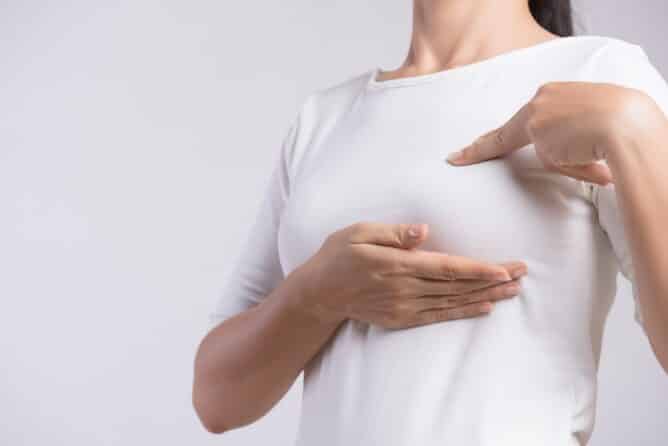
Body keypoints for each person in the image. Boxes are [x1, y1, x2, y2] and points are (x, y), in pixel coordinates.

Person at [192, 1, 668, 444]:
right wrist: (316, 295)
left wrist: (633, 129)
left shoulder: (601, 75)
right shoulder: (325, 118)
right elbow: (217, 400)